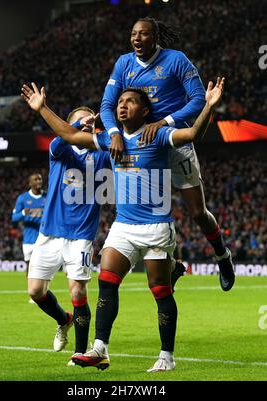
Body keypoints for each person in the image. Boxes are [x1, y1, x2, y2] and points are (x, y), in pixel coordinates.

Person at [21, 75, 225, 372]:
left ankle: (164, 355)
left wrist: (208, 106)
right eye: (119, 102)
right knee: (96, 283)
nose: (122, 105)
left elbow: (192, 134)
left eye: (130, 101)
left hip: (147, 226)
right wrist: (44, 109)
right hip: (116, 227)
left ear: (145, 110)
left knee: (158, 290)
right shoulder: (93, 144)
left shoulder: (147, 137)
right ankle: (98, 348)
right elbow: (66, 134)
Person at [100, 17, 235, 291]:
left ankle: (222, 255)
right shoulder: (124, 63)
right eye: (134, 34)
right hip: (141, 148)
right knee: (151, 214)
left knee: (197, 212)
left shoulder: (176, 60)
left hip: (173, 141)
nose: (137, 39)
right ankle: (172, 266)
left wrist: (164, 122)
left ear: (155, 37)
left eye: (144, 34)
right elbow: (106, 104)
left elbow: (198, 100)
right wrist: (114, 133)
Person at [24, 106, 111, 364]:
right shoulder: (60, 151)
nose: (85, 124)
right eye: (78, 121)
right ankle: (64, 320)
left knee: (78, 292)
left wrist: (101, 125)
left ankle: (81, 352)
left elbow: (114, 141)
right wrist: (75, 127)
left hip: (81, 235)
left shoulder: (102, 154)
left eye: (88, 120)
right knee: (36, 291)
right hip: (50, 232)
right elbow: (63, 137)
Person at [11, 173, 46, 274]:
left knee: (41, 271)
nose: (39, 181)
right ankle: (31, 290)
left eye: (40, 179)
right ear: (30, 183)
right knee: (29, 271)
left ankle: (41, 289)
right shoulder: (23, 198)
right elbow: (14, 218)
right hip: (29, 240)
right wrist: (23, 213)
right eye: (35, 180)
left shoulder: (47, 197)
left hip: (44, 238)